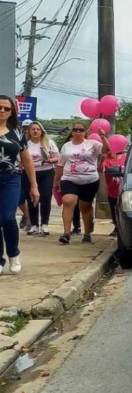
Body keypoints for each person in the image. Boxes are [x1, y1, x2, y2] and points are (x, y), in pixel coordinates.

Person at [0, 97, 40, 275]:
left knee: (8, 217)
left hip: (11, 179)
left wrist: (34, 185)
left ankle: (13, 254)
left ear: (11, 112)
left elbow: (27, 160)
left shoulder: (16, 133)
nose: (2, 111)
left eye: (6, 109)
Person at [54, 123, 108, 245]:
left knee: (85, 207)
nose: (78, 132)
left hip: (89, 180)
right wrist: (56, 181)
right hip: (69, 179)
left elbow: (106, 150)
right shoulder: (66, 146)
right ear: (72, 132)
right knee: (68, 201)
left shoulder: (92, 144)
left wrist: (103, 137)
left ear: (85, 132)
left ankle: (87, 233)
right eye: (75, 130)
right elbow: (60, 164)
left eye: (81, 130)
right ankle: (66, 233)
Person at [24, 122, 58, 237]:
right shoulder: (25, 144)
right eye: (33, 129)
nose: (35, 131)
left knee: (45, 197)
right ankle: (34, 225)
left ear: (41, 131)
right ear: (29, 131)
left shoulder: (48, 143)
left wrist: (50, 160)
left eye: (38, 129)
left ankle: (44, 224)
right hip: (29, 173)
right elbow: (19, 159)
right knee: (31, 198)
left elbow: (57, 157)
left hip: (46, 172)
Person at [103, 149, 127, 238]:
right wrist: (101, 159)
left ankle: (122, 227)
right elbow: (101, 169)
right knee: (113, 210)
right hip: (112, 190)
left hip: (124, 189)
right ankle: (116, 226)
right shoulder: (106, 160)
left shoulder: (126, 158)